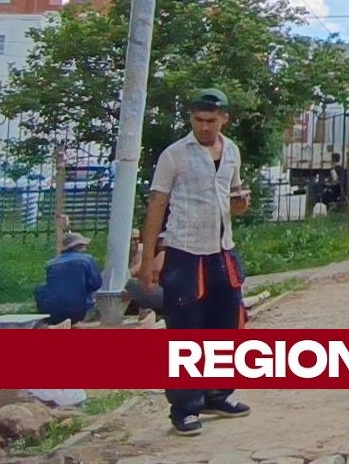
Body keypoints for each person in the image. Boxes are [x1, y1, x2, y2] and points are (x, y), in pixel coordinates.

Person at [136, 87, 252, 437]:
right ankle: (184, 408)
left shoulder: (231, 150)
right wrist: (146, 260)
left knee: (226, 326)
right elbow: (157, 204)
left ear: (224, 119)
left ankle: (218, 393)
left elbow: (232, 198)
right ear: (191, 119)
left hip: (221, 249)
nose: (204, 127)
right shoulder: (175, 155)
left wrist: (240, 204)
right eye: (199, 120)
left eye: (211, 121)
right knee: (185, 331)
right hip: (185, 252)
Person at [34, 231, 103, 325]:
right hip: (77, 311)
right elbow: (96, 283)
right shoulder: (86, 259)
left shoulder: (51, 264)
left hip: (52, 312)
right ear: (78, 247)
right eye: (83, 246)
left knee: (40, 288)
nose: (85, 249)